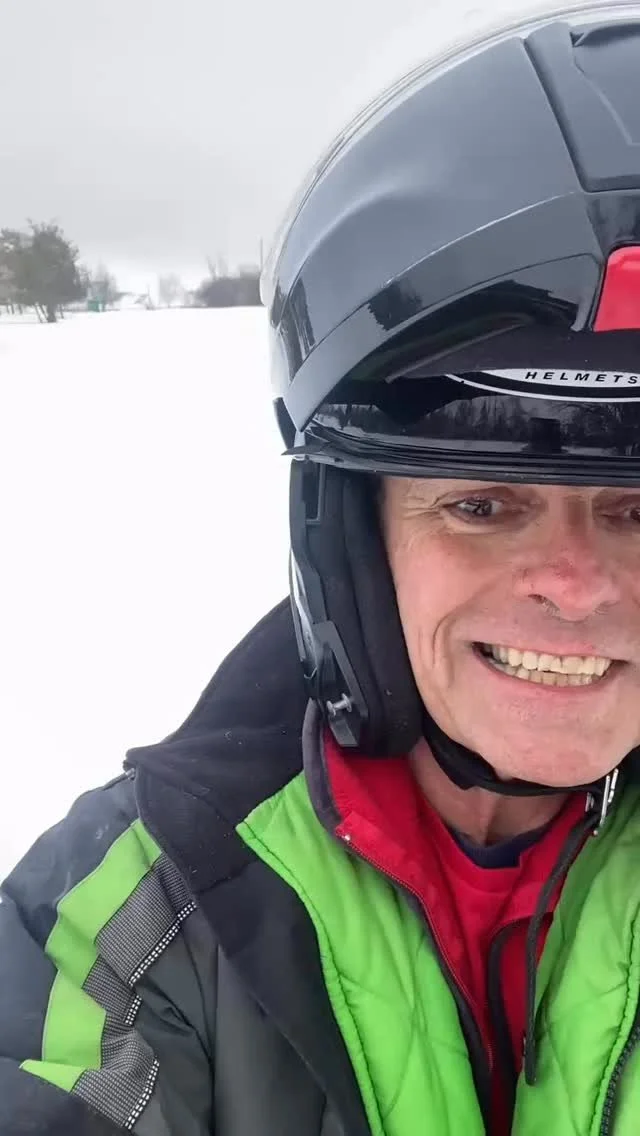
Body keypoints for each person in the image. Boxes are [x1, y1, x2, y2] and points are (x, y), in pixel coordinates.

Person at [4, 5, 640, 1133]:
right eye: (482, 506)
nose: (577, 583)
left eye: (636, 510)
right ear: (348, 545)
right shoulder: (136, 917)